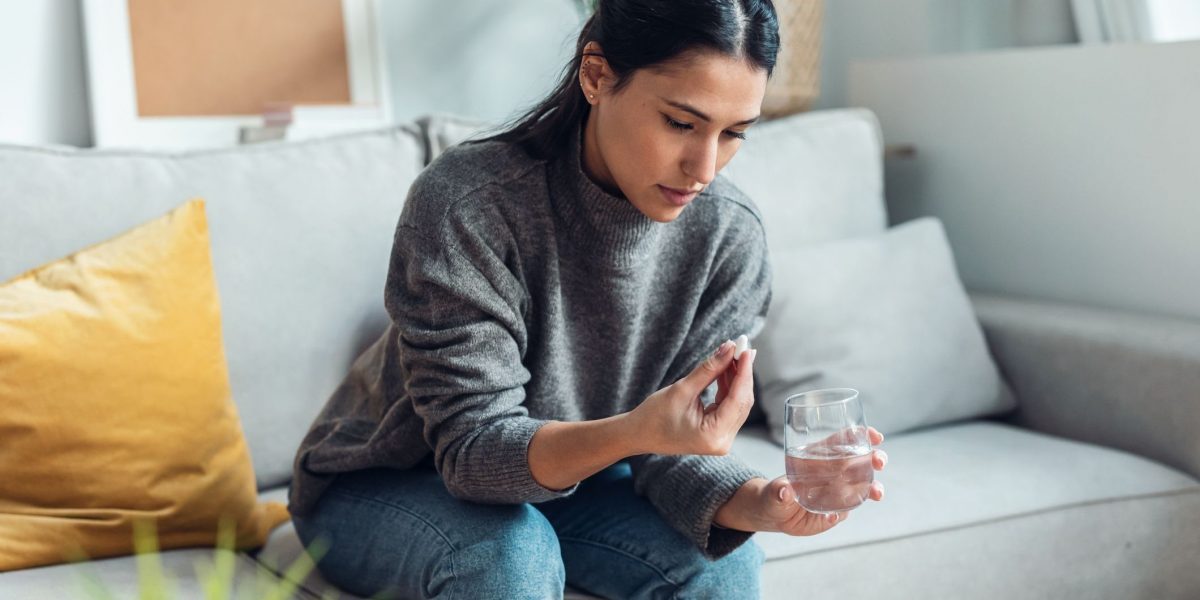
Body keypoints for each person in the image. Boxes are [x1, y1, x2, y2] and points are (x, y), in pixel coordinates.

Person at [288, 0, 887, 598]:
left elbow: (673, 448)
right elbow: (472, 452)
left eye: (733, 133)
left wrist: (762, 502)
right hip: (388, 481)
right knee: (508, 556)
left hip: (575, 485)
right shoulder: (468, 204)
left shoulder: (728, 237)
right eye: (681, 123)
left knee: (725, 565)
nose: (704, 167)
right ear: (596, 75)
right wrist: (632, 433)